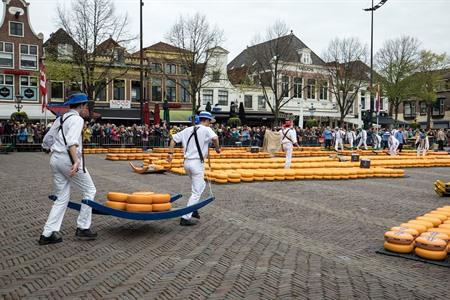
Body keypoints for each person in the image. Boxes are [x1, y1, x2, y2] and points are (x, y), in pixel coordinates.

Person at [39, 93, 97, 245]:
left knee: (61, 198)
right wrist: (76, 162)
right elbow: (71, 142)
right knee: (90, 190)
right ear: (82, 106)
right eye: (87, 107)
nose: (87, 110)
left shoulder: (61, 118)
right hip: (68, 160)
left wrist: (48, 148)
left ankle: (48, 233)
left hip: (55, 159)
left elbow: (47, 140)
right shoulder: (77, 119)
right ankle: (83, 228)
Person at [167, 111, 220, 226]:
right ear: (207, 121)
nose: (210, 124)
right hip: (197, 164)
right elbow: (215, 139)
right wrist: (217, 149)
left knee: (200, 185)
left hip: (186, 163)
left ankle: (193, 209)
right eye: (210, 122)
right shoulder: (206, 129)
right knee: (196, 191)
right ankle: (185, 218)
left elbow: (173, 139)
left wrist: (170, 154)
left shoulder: (187, 130)